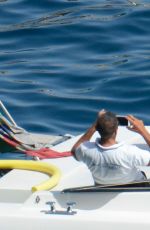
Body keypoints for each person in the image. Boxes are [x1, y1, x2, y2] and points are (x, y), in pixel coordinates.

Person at [71, 110, 150, 185]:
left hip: (103, 189)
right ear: (116, 130)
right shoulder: (131, 152)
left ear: (97, 128)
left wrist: (95, 125)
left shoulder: (85, 150)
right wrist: (142, 130)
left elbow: (75, 151)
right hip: (134, 188)